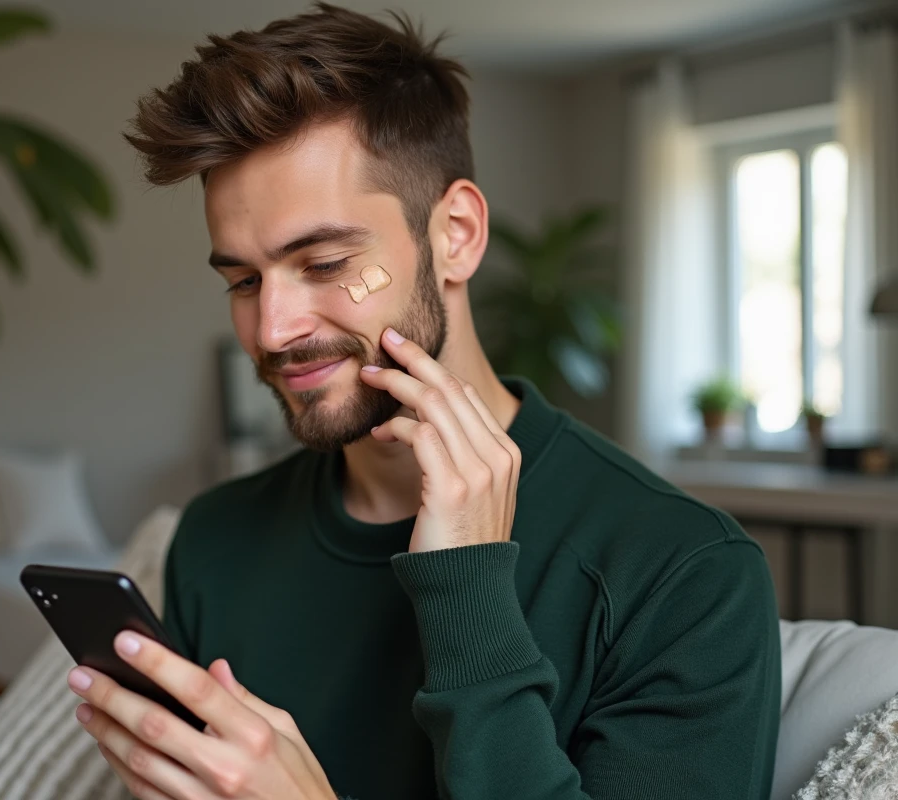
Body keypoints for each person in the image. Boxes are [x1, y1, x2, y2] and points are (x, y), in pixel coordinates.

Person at [63, 4, 782, 798]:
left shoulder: (682, 572)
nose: (273, 329)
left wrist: (469, 588)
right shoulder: (213, 540)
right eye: (241, 280)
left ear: (457, 236)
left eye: (328, 263)